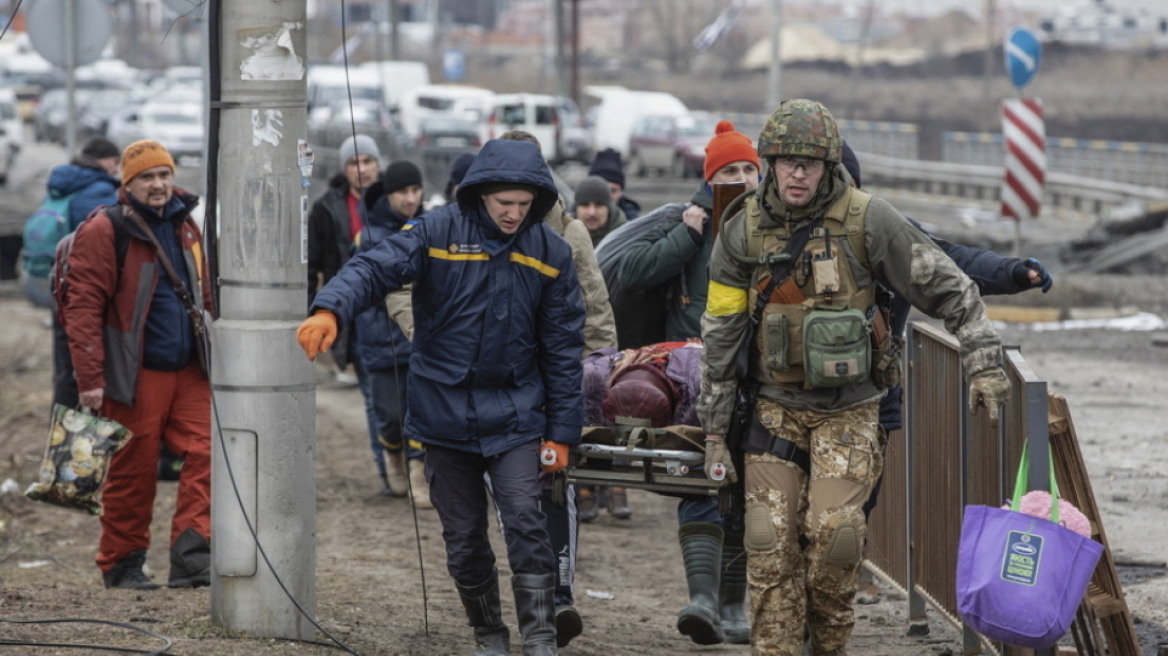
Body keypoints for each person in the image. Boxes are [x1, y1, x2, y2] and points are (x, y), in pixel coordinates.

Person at [698, 99, 1012, 655]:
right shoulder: (741, 228)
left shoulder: (869, 219)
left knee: (836, 540)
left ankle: (829, 645)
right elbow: (720, 330)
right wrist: (716, 430)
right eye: (787, 161)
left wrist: (983, 360)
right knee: (768, 547)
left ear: (828, 164)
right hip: (773, 407)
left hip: (850, 410)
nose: (798, 173)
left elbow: (951, 287)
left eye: (810, 162)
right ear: (770, 161)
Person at [297, 138, 586, 656]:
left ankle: (540, 638)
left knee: (525, 518)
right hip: (442, 413)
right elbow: (372, 268)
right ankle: (489, 633)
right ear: (480, 196)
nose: (514, 215)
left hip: (517, 411)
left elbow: (564, 350)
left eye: (524, 206)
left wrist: (562, 433)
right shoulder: (435, 233)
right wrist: (330, 310)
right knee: (465, 537)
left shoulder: (551, 253)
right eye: (504, 205)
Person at [613, 120, 761, 645]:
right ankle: (701, 598)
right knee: (701, 481)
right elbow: (630, 273)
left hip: (759, 380)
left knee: (744, 492)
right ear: (710, 177)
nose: (740, 179)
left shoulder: (774, 224)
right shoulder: (687, 221)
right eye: (728, 171)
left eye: (748, 169)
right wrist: (686, 236)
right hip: (694, 380)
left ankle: (733, 605)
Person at [62, 139, 212, 590]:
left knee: (211, 453)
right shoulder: (106, 230)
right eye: (147, 177)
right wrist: (90, 379)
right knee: (133, 469)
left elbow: (205, 293)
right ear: (127, 183)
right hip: (134, 371)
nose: (159, 184)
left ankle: (193, 558)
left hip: (188, 369)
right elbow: (82, 306)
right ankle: (122, 563)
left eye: (164, 174)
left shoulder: (188, 224)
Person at [306, 134, 402, 496]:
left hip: (393, 310)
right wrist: (315, 310)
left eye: (368, 161)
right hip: (352, 315)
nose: (362, 169)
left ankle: (414, 467)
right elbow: (314, 264)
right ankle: (387, 470)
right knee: (376, 399)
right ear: (344, 169)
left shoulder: (397, 202)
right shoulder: (327, 208)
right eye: (354, 163)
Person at [353, 159, 432, 507]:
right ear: (389, 195)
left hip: (420, 338)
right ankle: (393, 458)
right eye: (404, 191)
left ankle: (418, 473)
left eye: (416, 190)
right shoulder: (369, 235)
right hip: (380, 339)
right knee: (389, 415)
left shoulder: (429, 228)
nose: (411, 198)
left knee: (422, 411)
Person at [48, 136, 122, 410]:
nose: (115, 170)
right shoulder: (98, 189)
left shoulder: (64, 181)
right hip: (81, 282)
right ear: (104, 161)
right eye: (114, 163)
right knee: (79, 364)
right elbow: (99, 236)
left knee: (65, 367)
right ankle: (74, 439)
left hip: (58, 278)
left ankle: (61, 436)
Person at [573, 175, 628, 248]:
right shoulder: (562, 241)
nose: (591, 213)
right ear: (576, 209)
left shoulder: (626, 242)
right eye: (585, 205)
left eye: (598, 205)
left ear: (609, 209)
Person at [588, 147, 641, 220]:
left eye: (613, 191)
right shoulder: (574, 218)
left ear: (621, 192)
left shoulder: (633, 222)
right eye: (602, 190)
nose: (608, 196)